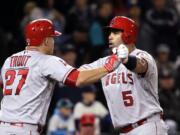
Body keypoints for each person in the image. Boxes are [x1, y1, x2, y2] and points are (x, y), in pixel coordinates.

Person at [0, 18, 121, 135]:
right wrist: (108, 67)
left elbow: (3, 87)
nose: (54, 42)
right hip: (25, 129)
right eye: (52, 38)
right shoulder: (47, 61)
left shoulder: (9, 61)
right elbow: (78, 79)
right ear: (46, 41)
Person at [80, 16, 168, 135]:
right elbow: (78, 75)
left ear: (128, 34)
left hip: (147, 126)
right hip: (124, 131)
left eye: (115, 32)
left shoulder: (143, 55)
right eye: (110, 33)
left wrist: (127, 60)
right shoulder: (105, 62)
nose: (110, 36)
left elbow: (141, 66)